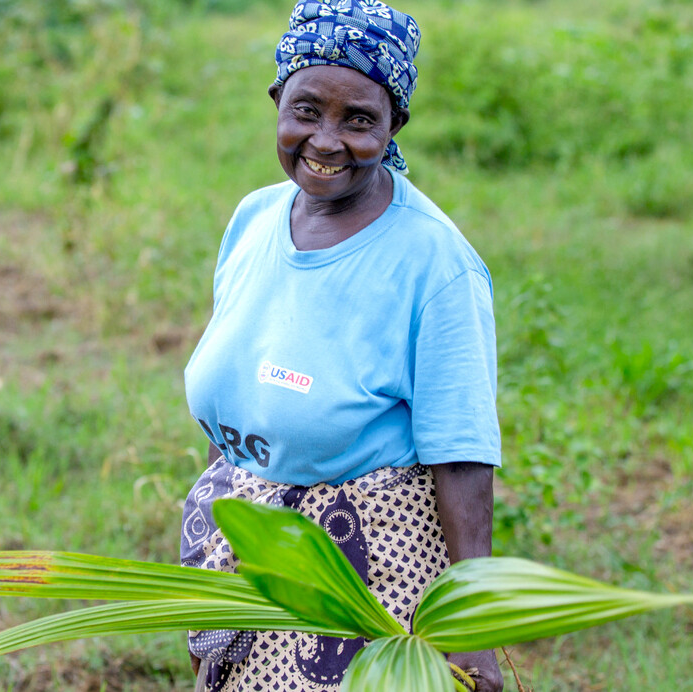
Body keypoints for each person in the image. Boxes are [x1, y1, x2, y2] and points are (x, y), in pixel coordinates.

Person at [179, 1, 504, 690]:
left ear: (393, 127)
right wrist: (212, 563)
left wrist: (471, 634)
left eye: (358, 120)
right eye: (306, 111)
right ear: (277, 102)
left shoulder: (434, 264)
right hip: (246, 550)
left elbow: (463, 458)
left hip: (365, 575)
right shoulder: (253, 219)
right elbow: (234, 406)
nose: (326, 142)